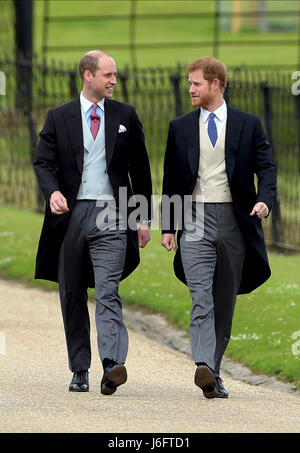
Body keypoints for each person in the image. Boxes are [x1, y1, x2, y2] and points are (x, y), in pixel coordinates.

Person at [33, 50, 152, 395]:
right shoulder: (59, 117)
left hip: (113, 214)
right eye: (108, 75)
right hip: (70, 216)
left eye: (115, 75)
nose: (114, 81)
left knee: (108, 289)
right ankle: (79, 368)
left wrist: (142, 218)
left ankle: (112, 364)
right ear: (88, 75)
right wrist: (52, 192)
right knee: (71, 291)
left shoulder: (126, 114)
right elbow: (43, 163)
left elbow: (140, 170)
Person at [161, 57, 277, 399]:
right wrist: (169, 226)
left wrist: (264, 199)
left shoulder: (248, 123)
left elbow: (267, 168)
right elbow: (170, 179)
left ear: (215, 84)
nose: (191, 89)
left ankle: (213, 369)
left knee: (223, 300)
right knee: (201, 297)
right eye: (190, 83)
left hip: (234, 221)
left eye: (196, 83)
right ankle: (203, 365)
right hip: (194, 219)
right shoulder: (179, 126)